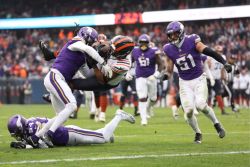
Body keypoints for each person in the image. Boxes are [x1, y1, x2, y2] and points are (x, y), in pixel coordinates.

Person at [27, 27, 113, 148]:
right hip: (55, 77)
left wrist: (97, 65)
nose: (93, 43)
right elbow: (87, 48)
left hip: (57, 79)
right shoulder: (75, 42)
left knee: (61, 116)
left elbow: (87, 74)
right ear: (86, 37)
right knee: (72, 105)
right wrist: (103, 63)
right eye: (92, 40)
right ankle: (49, 134)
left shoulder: (82, 55)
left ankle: (35, 137)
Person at [163, 21, 232, 143]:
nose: (173, 37)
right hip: (184, 82)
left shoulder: (192, 40)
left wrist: (223, 62)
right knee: (188, 112)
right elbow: (169, 66)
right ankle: (198, 133)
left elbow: (208, 51)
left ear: (181, 33)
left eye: (175, 34)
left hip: (199, 78)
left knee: (201, 105)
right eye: (171, 35)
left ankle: (216, 124)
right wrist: (165, 74)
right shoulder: (168, 48)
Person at [7, 109, 135, 149]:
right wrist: (25, 144)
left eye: (17, 133)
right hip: (65, 137)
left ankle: (119, 116)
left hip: (70, 134)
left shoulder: (33, 128)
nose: (17, 136)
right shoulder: (29, 125)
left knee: (103, 138)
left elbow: (44, 147)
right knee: (96, 138)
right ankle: (106, 132)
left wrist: (26, 146)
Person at [132, 34, 165, 126]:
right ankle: (143, 119)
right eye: (141, 43)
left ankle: (148, 108)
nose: (143, 45)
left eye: (145, 43)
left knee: (154, 98)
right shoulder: (134, 51)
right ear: (139, 43)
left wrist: (155, 75)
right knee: (142, 97)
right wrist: (127, 73)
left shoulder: (154, 51)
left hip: (151, 78)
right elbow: (130, 62)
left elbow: (161, 65)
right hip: (140, 77)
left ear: (148, 43)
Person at [207, 45, 228, 115]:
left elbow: (222, 69)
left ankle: (222, 110)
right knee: (208, 95)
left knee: (219, 94)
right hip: (209, 78)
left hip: (217, 78)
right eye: (218, 51)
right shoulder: (210, 57)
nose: (220, 53)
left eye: (220, 51)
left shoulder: (223, 57)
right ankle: (208, 110)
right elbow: (207, 67)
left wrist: (223, 77)